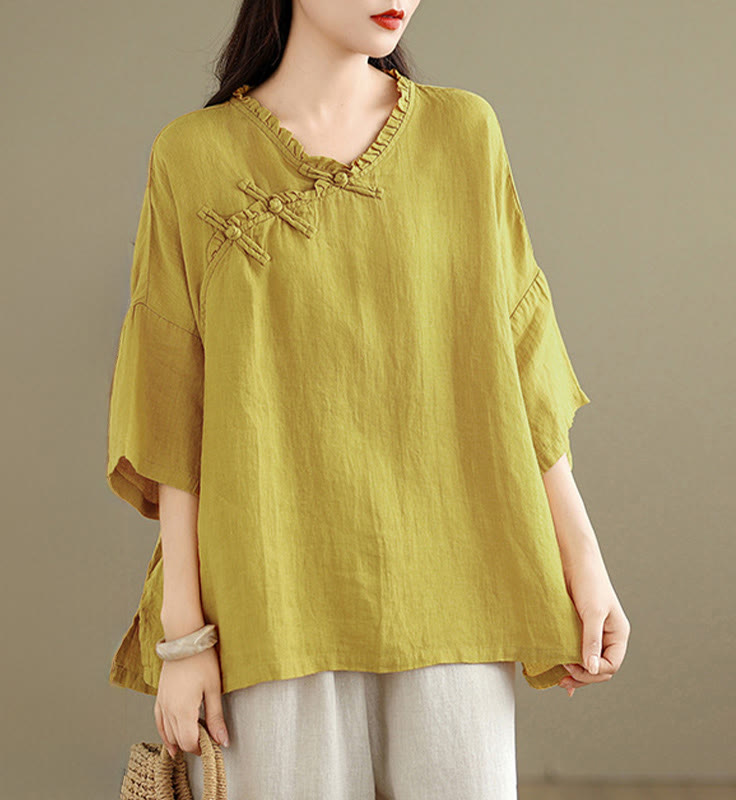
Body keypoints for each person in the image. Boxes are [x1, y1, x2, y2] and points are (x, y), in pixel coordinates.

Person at [105, 1, 631, 797]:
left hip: (454, 582)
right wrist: (184, 639)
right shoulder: (193, 155)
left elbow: (519, 359)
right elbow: (172, 405)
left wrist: (583, 561)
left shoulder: (464, 134)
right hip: (268, 594)